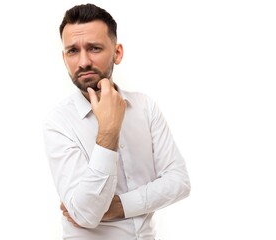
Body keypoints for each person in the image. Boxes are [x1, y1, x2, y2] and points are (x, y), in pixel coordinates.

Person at [43, 3, 191, 240]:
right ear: (64, 57)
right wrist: (108, 131)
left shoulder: (145, 107)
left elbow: (179, 182)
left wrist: (120, 206)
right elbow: (87, 214)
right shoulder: (58, 122)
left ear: (117, 53)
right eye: (72, 51)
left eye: (94, 48)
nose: (83, 62)